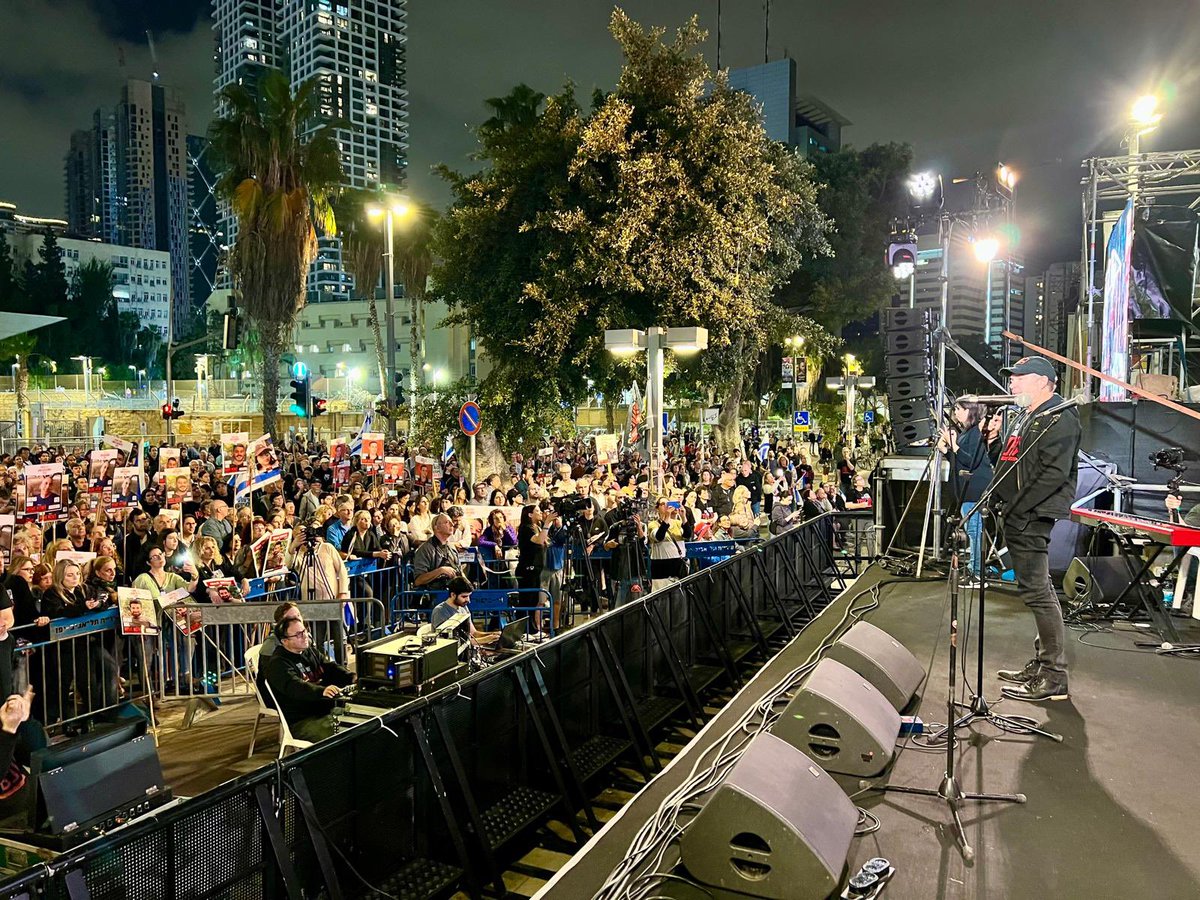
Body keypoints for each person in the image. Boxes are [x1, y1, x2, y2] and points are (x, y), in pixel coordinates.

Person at [989, 356, 1081, 703]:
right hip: (1017, 512)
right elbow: (1011, 464)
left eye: (1019, 378)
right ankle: (1044, 664)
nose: (1012, 384)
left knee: (1039, 592)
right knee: (1035, 591)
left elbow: (1053, 474)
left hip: (1031, 514)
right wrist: (994, 441)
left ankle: (1054, 674)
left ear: (1043, 381)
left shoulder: (1060, 417)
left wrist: (1019, 507)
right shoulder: (1028, 417)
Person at [262, 615, 355, 741]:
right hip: (302, 720)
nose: (305, 636)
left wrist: (352, 677)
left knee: (361, 722)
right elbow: (296, 686)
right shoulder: (278, 664)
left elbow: (330, 667)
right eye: (298, 634)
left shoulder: (309, 651)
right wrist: (321, 691)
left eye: (304, 631)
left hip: (325, 710)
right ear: (285, 641)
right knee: (343, 736)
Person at [938, 400, 993, 580]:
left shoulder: (975, 432)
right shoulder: (966, 433)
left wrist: (952, 445)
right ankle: (974, 568)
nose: (955, 413)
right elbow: (960, 458)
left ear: (970, 411)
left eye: (959, 409)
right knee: (972, 530)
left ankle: (976, 573)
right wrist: (945, 449)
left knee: (974, 531)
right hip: (965, 489)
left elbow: (970, 461)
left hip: (974, 489)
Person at [411, 513, 460, 592]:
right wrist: (441, 570)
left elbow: (458, 571)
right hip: (433, 596)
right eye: (447, 522)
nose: (452, 524)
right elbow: (418, 580)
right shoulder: (425, 549)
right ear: (436, 528)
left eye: (451, 522)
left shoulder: (452, 548)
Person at [648, 498, 686, 593]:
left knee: (678, 600)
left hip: (677, 568)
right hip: (661, 569)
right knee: (661, 600)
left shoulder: (677, 523)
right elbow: (659, 536)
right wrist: (667, 517)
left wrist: (683, 517)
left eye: (667, 503)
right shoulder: (653, 524)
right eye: (663, 504)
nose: (666, 506)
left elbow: (688, 535)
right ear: (657, 508)